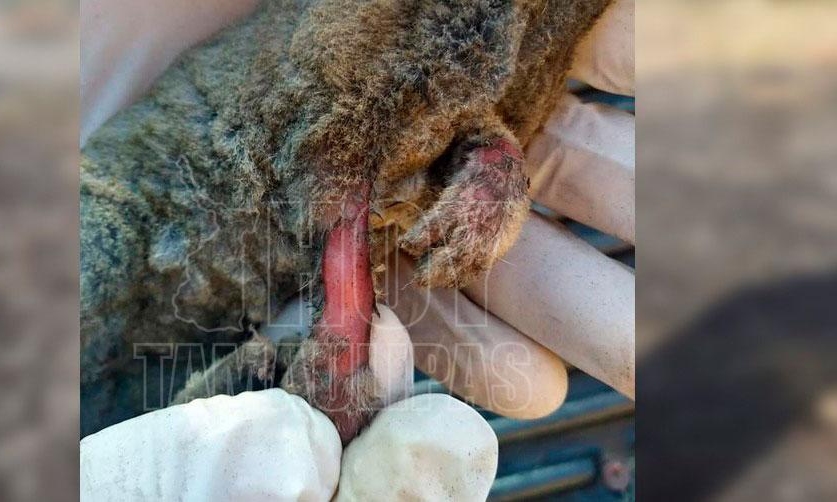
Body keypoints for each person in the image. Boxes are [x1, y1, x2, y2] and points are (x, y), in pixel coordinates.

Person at [79, 0, 634, 499]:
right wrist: (343, 330)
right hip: (139, 215)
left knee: (214, 440)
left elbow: (383, 143)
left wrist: (494, 169)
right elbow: (340, 139)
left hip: (220, 322)